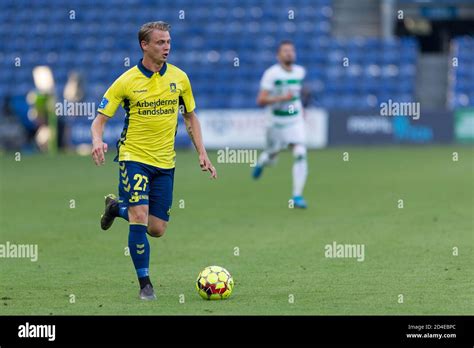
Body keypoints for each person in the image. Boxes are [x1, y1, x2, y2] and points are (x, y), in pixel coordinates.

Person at [90, 21, 217, 300]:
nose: (167, 46)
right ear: (144, 46)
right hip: (133, 157)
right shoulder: (126, 81)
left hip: (165, 162)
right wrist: (97, 140)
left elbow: (190, 116)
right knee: (139, 217)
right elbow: (99, 121)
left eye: (169, 41)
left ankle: (114, 208)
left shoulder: (180, 78)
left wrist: (202, 152)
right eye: (160, 42)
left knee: (156, 228)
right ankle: (145, 285)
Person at [253, 40, 308, 209]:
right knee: (273, 155)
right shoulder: (271, 74)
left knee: (300, 152)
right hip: (275, 122)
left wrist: (301, 107)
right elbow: (260, 100)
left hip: (294, 120)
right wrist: (281, 98)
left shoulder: (300, 72)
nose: (289, 53)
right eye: (285, 51)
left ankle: (297, 196)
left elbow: (298, 94)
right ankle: (263, 161)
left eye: (291, 50)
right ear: (278, 55)